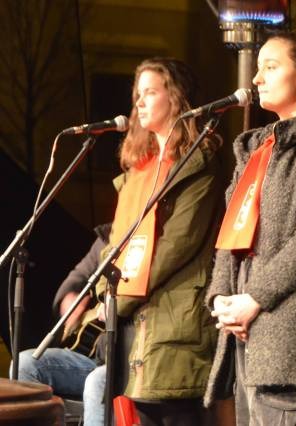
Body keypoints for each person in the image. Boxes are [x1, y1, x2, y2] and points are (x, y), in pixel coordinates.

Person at [203, 30, 296, 425]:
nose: (256, 79)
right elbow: (232, 229)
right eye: (257, 69)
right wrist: (222, 297)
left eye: (270, 67)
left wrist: (254, 298)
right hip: (245, 325)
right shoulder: (258, 147)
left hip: (287, 332)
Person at [91, 57, 224, 425]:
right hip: (134, 326)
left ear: (176, 98)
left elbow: (173, 247)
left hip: (175, 325)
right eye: (138, 94)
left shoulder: (199, 164)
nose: (140, 101)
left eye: (150, 92)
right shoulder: (139, 170)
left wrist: (116, 302)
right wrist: (104, 292)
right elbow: (114, 243)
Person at [17, 224, 110, 426]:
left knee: (96, 383)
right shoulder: (109, 236)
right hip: (92, 356)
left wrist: (119, 307)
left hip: (127, 359)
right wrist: (68, 298)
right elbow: (78, 275)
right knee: (25, 364)